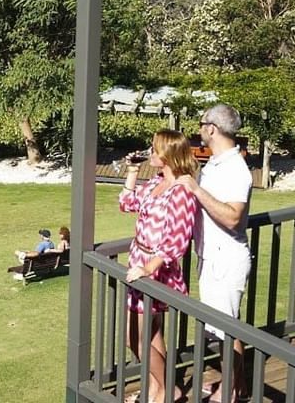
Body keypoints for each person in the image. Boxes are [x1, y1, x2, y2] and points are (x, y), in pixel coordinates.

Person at [176, 104, 253, 403]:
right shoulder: (218, 164)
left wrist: (197, 191)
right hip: (212, 257)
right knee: (226, 325)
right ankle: (239, 384)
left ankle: (230, 392)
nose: (199, 129)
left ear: (212, 128)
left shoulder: (236, 170)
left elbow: (234, 217)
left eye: (201, 123)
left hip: (225, 259)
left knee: (226, 330)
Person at [119, 129, 198, 403]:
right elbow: (127, 203)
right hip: (139, 263)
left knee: (135, 338)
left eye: (154, 148)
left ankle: (167, 389)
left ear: (168, 154)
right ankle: (159, 390)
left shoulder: (181, 192)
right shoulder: (155, 183)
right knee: (151, 337)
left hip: (156, 273)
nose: (150, 152)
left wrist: (148, 268)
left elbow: (176, 241)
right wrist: (132, 171)